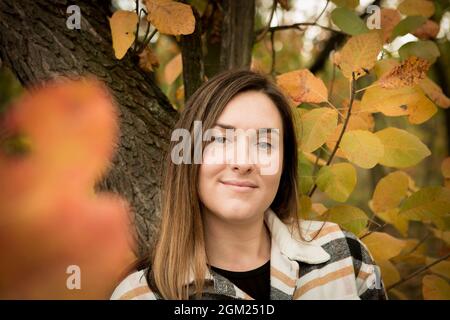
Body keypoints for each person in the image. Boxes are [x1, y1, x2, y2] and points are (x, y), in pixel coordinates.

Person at [110, 69, 387, 300]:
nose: (243, 162)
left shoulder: (342, 257)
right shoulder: (139, 295)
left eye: (265, 143)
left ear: (283, 165)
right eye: (220, 140)